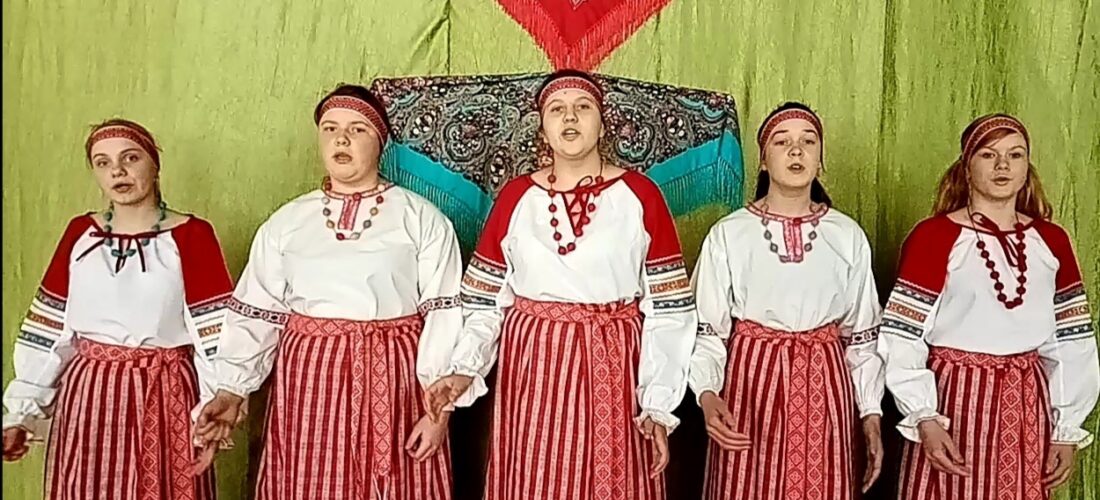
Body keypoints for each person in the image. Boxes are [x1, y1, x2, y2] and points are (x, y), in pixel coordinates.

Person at [423, 69, 697, 500]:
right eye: (557, 109)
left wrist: (658, 402)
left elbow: (669, 308)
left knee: (615, 478)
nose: (570, 117)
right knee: (537, 477)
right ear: (543, 128)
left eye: (583, 107)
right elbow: (484, 301)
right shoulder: (516, 197)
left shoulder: (640, 195)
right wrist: (465, 368)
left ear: (602, 125)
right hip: (535, 366)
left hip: (614, 363)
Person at [193, 84, 462, 500]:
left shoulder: (421, 218)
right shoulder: (287, 223)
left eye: (357, 129)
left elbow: (444, 313)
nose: (341, 139)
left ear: (380, 143)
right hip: (310, 385)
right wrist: (231, 389)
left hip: (394, 384)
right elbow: (256, 313)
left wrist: (437, 412)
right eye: (331, 129)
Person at [1, 118, 234, 499]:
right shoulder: (80, 233)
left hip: (165, 392)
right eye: (103, 162)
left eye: (130, 158)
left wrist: (212, 411)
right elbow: (50, 330)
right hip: (89, 396)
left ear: (154, 165)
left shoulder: (192, 236)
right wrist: (20, 414)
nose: (117, 171)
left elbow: (216, 334)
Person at [881, 113, 1099, 500]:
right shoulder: (934, 237)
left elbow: (1069, 340)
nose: (1003, 165)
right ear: (967, 167)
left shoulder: (1051, 240)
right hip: (954, 399)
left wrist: (1065, 428)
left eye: (1015, 155)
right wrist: (924, 415)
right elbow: (902, 334)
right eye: (988, 154)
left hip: (1025, 400)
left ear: (1026, 167)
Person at [688, 102, 886, 500]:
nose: (796, 151)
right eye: (782, 142)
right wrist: (708, 395)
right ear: (763, 161)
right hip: (749, 389)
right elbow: (707, 330)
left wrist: (870, 413)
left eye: (808, 142)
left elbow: (862, 337)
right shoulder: (730, 234)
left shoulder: (846, 235)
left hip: (824, 388)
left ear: (821, 160)